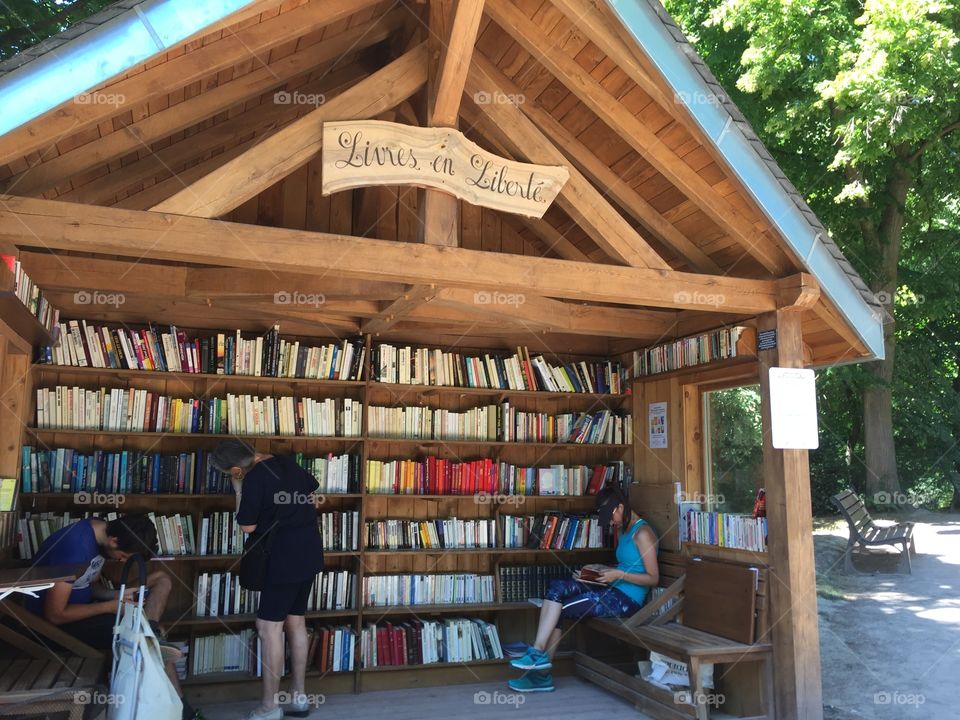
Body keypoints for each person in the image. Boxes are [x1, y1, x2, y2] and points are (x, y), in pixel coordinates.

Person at [26, 513, 199, 719]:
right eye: (124, 556)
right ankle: (184, 712)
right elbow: (55, 615)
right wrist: (110, 607)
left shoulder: (100, 536)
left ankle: (150, 627)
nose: (122, 561)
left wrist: (115, 595)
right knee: (150, 644)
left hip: (86, 608)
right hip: (55, 628)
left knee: (161, 578)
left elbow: (87, 587)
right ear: (114, 541)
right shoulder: (75, 548)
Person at [211, 439, 324, 720]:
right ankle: (298, 698)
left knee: (268, 628)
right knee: (296, 622)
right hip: (309, 552)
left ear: (237, 469)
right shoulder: (287, 462)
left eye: (231, 474)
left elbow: (247, 525)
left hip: (281, 560)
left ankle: (269, 707)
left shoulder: (254, 479)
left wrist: (238, 490)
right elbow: (310, 497)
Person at [507, 484, 659, 692]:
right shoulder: (625, 529)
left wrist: (618, 575)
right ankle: (538, 655)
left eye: (610, 517)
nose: (611, 524)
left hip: (626, 601)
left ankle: (539, 670)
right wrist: (600, 569)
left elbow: (653, 578)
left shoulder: (643, 533)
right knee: (557, 587)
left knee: (560, 608)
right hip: (612, 588)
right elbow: (628, 565)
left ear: (620, 508)